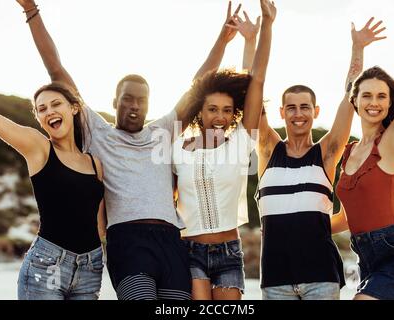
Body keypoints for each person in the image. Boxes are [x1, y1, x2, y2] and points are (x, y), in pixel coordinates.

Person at [15, 0, 246, 300]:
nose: (134, 106)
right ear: (115, 102)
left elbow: (198, 84)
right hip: (127, 241)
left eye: (141, 101)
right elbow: (56, 68)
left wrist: (223, 40)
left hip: (171, 242)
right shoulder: (97, 132)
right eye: (127, 99)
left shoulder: (162, 130)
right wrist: (32, 11)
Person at [254, 18, 387, 300]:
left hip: (321, 279)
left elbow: (349, 100)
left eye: (304, 107)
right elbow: (253, 95)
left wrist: (358, 48)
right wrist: (261, 32)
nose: (298, 113)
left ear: (315, 111)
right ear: (281, 113)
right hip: (274, 282)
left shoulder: (325, 154)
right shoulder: (268, 150)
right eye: (291, 108)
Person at [172, 0, 276, 300]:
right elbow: (195, 87)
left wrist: (265, 28)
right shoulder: (178, 148)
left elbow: (256, 80)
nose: (220, 116)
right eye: (212, 109)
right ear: (199, 112)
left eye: (227, 111)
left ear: (234, 115)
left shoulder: (242, 142)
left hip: (229, 251)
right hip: (189, 250)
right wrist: (223, 39)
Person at [0, 82, 106, 300]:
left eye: (56, 104)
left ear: (74, 108)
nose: (50, 111)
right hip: (47, 265)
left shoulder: (95, 163)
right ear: (38, 118)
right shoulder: (39, 148)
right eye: (42, 109)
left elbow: (100, 226)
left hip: (90, 268)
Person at [332, 23, 394, 300]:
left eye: (381, 96)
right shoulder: (350, 153)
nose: (373, 102)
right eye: (367, 95)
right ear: (355, 101)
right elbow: (346, 219)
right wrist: (357, 48)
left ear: (389, 103)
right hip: (368, 258)